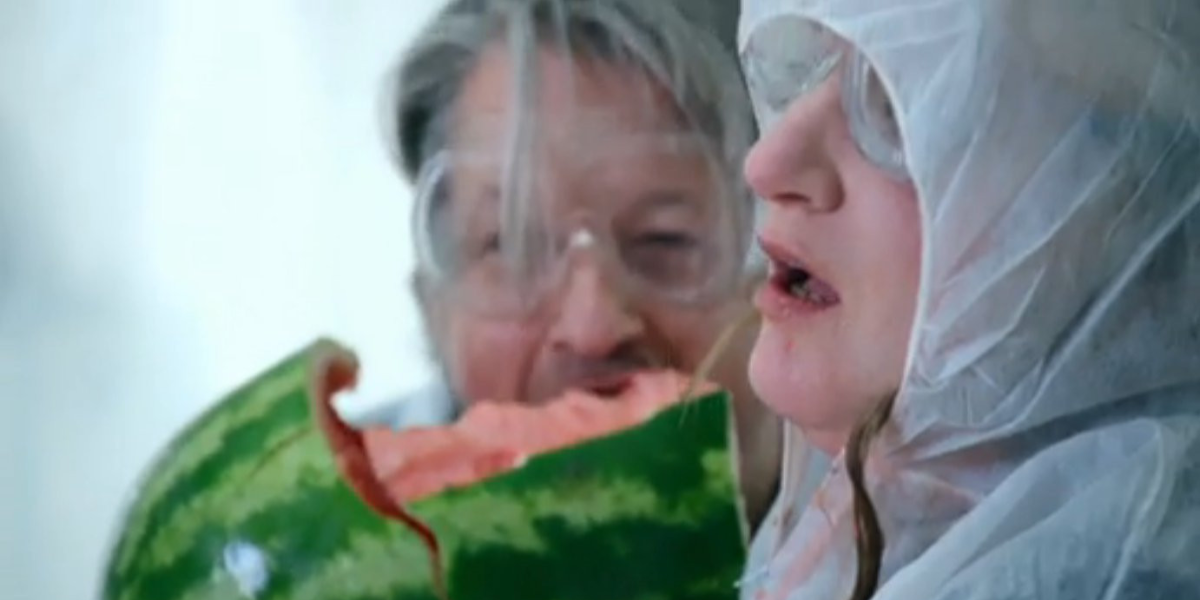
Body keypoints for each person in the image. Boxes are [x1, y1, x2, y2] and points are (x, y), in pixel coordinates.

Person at [734, 0, 1200, 599]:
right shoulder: (872, 516)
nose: (766, 163)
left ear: (1131, 214)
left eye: (905, 108)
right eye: (809, 66)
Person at [344, 0, 787, 531]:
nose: (592, 329)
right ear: (431, 304)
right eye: (510, 246)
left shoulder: (898, 541)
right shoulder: (322, 537)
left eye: (665, 241)